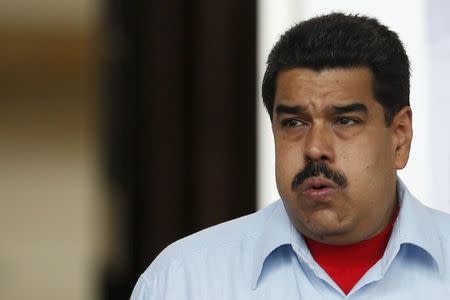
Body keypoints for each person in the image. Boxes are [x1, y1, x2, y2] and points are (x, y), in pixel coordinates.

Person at [131, 13, 450, 299]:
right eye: (294, 123)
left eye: (344, 121)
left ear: (399, 137)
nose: (314, 148)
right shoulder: (183, 282)